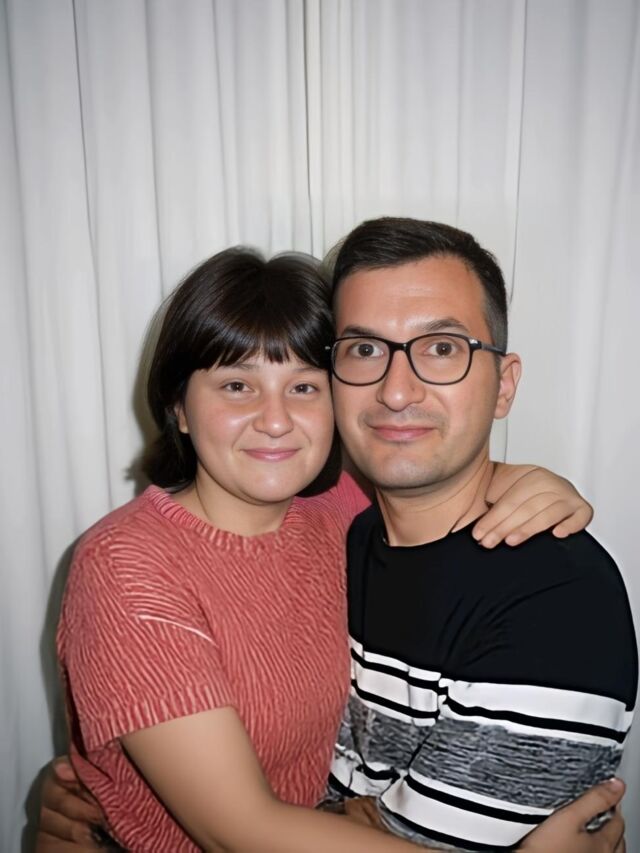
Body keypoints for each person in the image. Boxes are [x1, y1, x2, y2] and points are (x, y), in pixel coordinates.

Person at [39, 246, 623, 852]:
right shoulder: (125, 564)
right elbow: (242, 831)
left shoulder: (338, 510)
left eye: (303, 387)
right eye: (236, 385)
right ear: (179, 408)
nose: (274, 420)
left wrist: (524, 482)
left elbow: (430, 472)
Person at [323, 217, 637, 851]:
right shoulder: (339, 535)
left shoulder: (558, 596)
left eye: (442, 349)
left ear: (504, 385)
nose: (396, 391)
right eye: (365, 350)